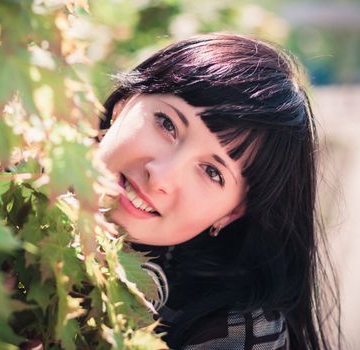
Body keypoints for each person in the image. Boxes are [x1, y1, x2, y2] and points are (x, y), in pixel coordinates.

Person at [96, 33, 340, 349]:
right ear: (124, 103)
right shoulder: (17, 176)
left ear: (232, 212)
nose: (161, 177)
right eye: (167, 124)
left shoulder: (235, 334)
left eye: (212, 172)